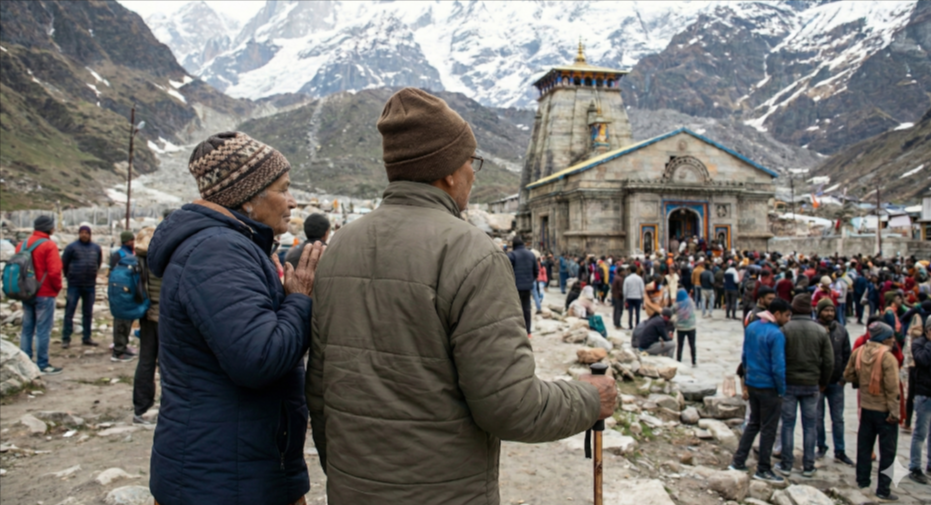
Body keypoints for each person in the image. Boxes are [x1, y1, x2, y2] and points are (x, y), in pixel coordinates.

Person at [305, 88, 617, 503]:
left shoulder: (340, 247)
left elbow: (321, 391)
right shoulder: (472, 252)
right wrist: (588, 399)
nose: (474, 173)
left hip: (354, 490)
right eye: (472, 162)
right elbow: (511, 406)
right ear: (448, 171)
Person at [146, 131, 323, 505]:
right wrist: (299, 300)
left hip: (234, 465)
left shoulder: (228, 246)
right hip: (225, 478)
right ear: (248, 199)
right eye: (283, 188)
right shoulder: (218, 251)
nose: (292, 201)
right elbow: (258, 358)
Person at [729, 298, 790, 484]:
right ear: (777, 314)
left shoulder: (752, 327)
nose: (788, 320)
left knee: (753, 423)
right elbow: (778, 366)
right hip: (769, 386)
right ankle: (763, 468)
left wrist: (746, 381)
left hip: (753, 383)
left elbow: (745, 356)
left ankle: (738, 460)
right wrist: (782, 389)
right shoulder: (776, 334)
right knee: (769, 429)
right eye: (787, 315)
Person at [776, 293, 834, 478]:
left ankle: (786, 464)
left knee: (788, 424)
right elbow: (829, 361)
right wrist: (823, 381)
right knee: (810, 426)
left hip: (789, 384)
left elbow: (778, 358)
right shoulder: (820, 331)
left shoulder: (785, 329)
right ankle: (808, 465)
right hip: (811, 384)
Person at [844, 322, 901, 502]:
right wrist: (895, 413)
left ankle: (862, 482)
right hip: (884, 411)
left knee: (864, 447)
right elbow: (893, 388)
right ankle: (883, 489)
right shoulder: (888, 357)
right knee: (888, 452)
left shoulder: (858, 352)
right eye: (891, 336)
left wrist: (862, 382)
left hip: (867, 408)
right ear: (884, 338)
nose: (893, 340)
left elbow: (848, 375)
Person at [18, 216, 63, 375]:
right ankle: (42, 363)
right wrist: (57, 289)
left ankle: (25, 362)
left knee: (27, 328)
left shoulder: (22, 244)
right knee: (43, 329)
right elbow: (54, 271)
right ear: (49, 228)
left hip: (25, 292)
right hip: (44, 292)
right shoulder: (49, 245)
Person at [813, 299, 854, 465]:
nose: (829, 313)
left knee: (838, 418)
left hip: (836, 383)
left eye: (831, 310)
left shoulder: (841, 331)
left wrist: (844, 378)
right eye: (826, 310)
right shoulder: (814, 330)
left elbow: (847, 356)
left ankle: (840, 450)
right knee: (818, 417)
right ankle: (821, 446)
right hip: (817, 382)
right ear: (819, 311)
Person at [60, 224, 102, 348]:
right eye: (82, 232)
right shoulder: (71, 247)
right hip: (74, 284)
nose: (84, 234)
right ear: (79, 234)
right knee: (69, 311)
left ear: (90, 234)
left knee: (88, 312)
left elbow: (98, 263)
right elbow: (64, 264)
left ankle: (87, 337)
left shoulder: (96, 248)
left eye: (86, 232)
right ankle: (66, 338)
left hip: (89, 285)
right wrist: (70, 276)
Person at [109, 231, 137, 362]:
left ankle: (123, 346)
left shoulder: (131, 254)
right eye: (131, 240)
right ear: (126, 241)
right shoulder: (119, 255)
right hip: (121, 292)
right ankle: (118, 352)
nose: (133, 242)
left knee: (127, 322)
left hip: (129, 292)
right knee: (121, 322)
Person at [909, 317, 931, 484]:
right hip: (924, 393)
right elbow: (922, 360)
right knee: (920, 433)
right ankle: (915, 467)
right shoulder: (919, 343)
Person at [508, 236, 538, 336]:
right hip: (527, 287)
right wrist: (530, 281)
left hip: (515, 288)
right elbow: (536, 271)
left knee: (515, 310)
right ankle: (528, 332)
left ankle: (517, 332)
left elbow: (507, 271)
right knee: (526, 309)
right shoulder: (531, 255)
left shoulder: (512, 255)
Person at [674, 288, 697, 366]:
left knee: (680, 345)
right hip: (691, 327)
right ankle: (694, 361)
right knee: (692, 345)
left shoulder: (677, 305)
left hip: (681, 328)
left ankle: (678, 360)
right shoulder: (690, 302)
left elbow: (671, 311)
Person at [611, 265, 626, 329]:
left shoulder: (616, 277)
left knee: (616, 309)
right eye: (623, 271)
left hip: (614, 295)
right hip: (619, 296)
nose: (624, 273)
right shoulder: (620, 279)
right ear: (620, 272)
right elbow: (621, 289)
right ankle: (618, 324)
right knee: (619, 310)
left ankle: (615, 322)